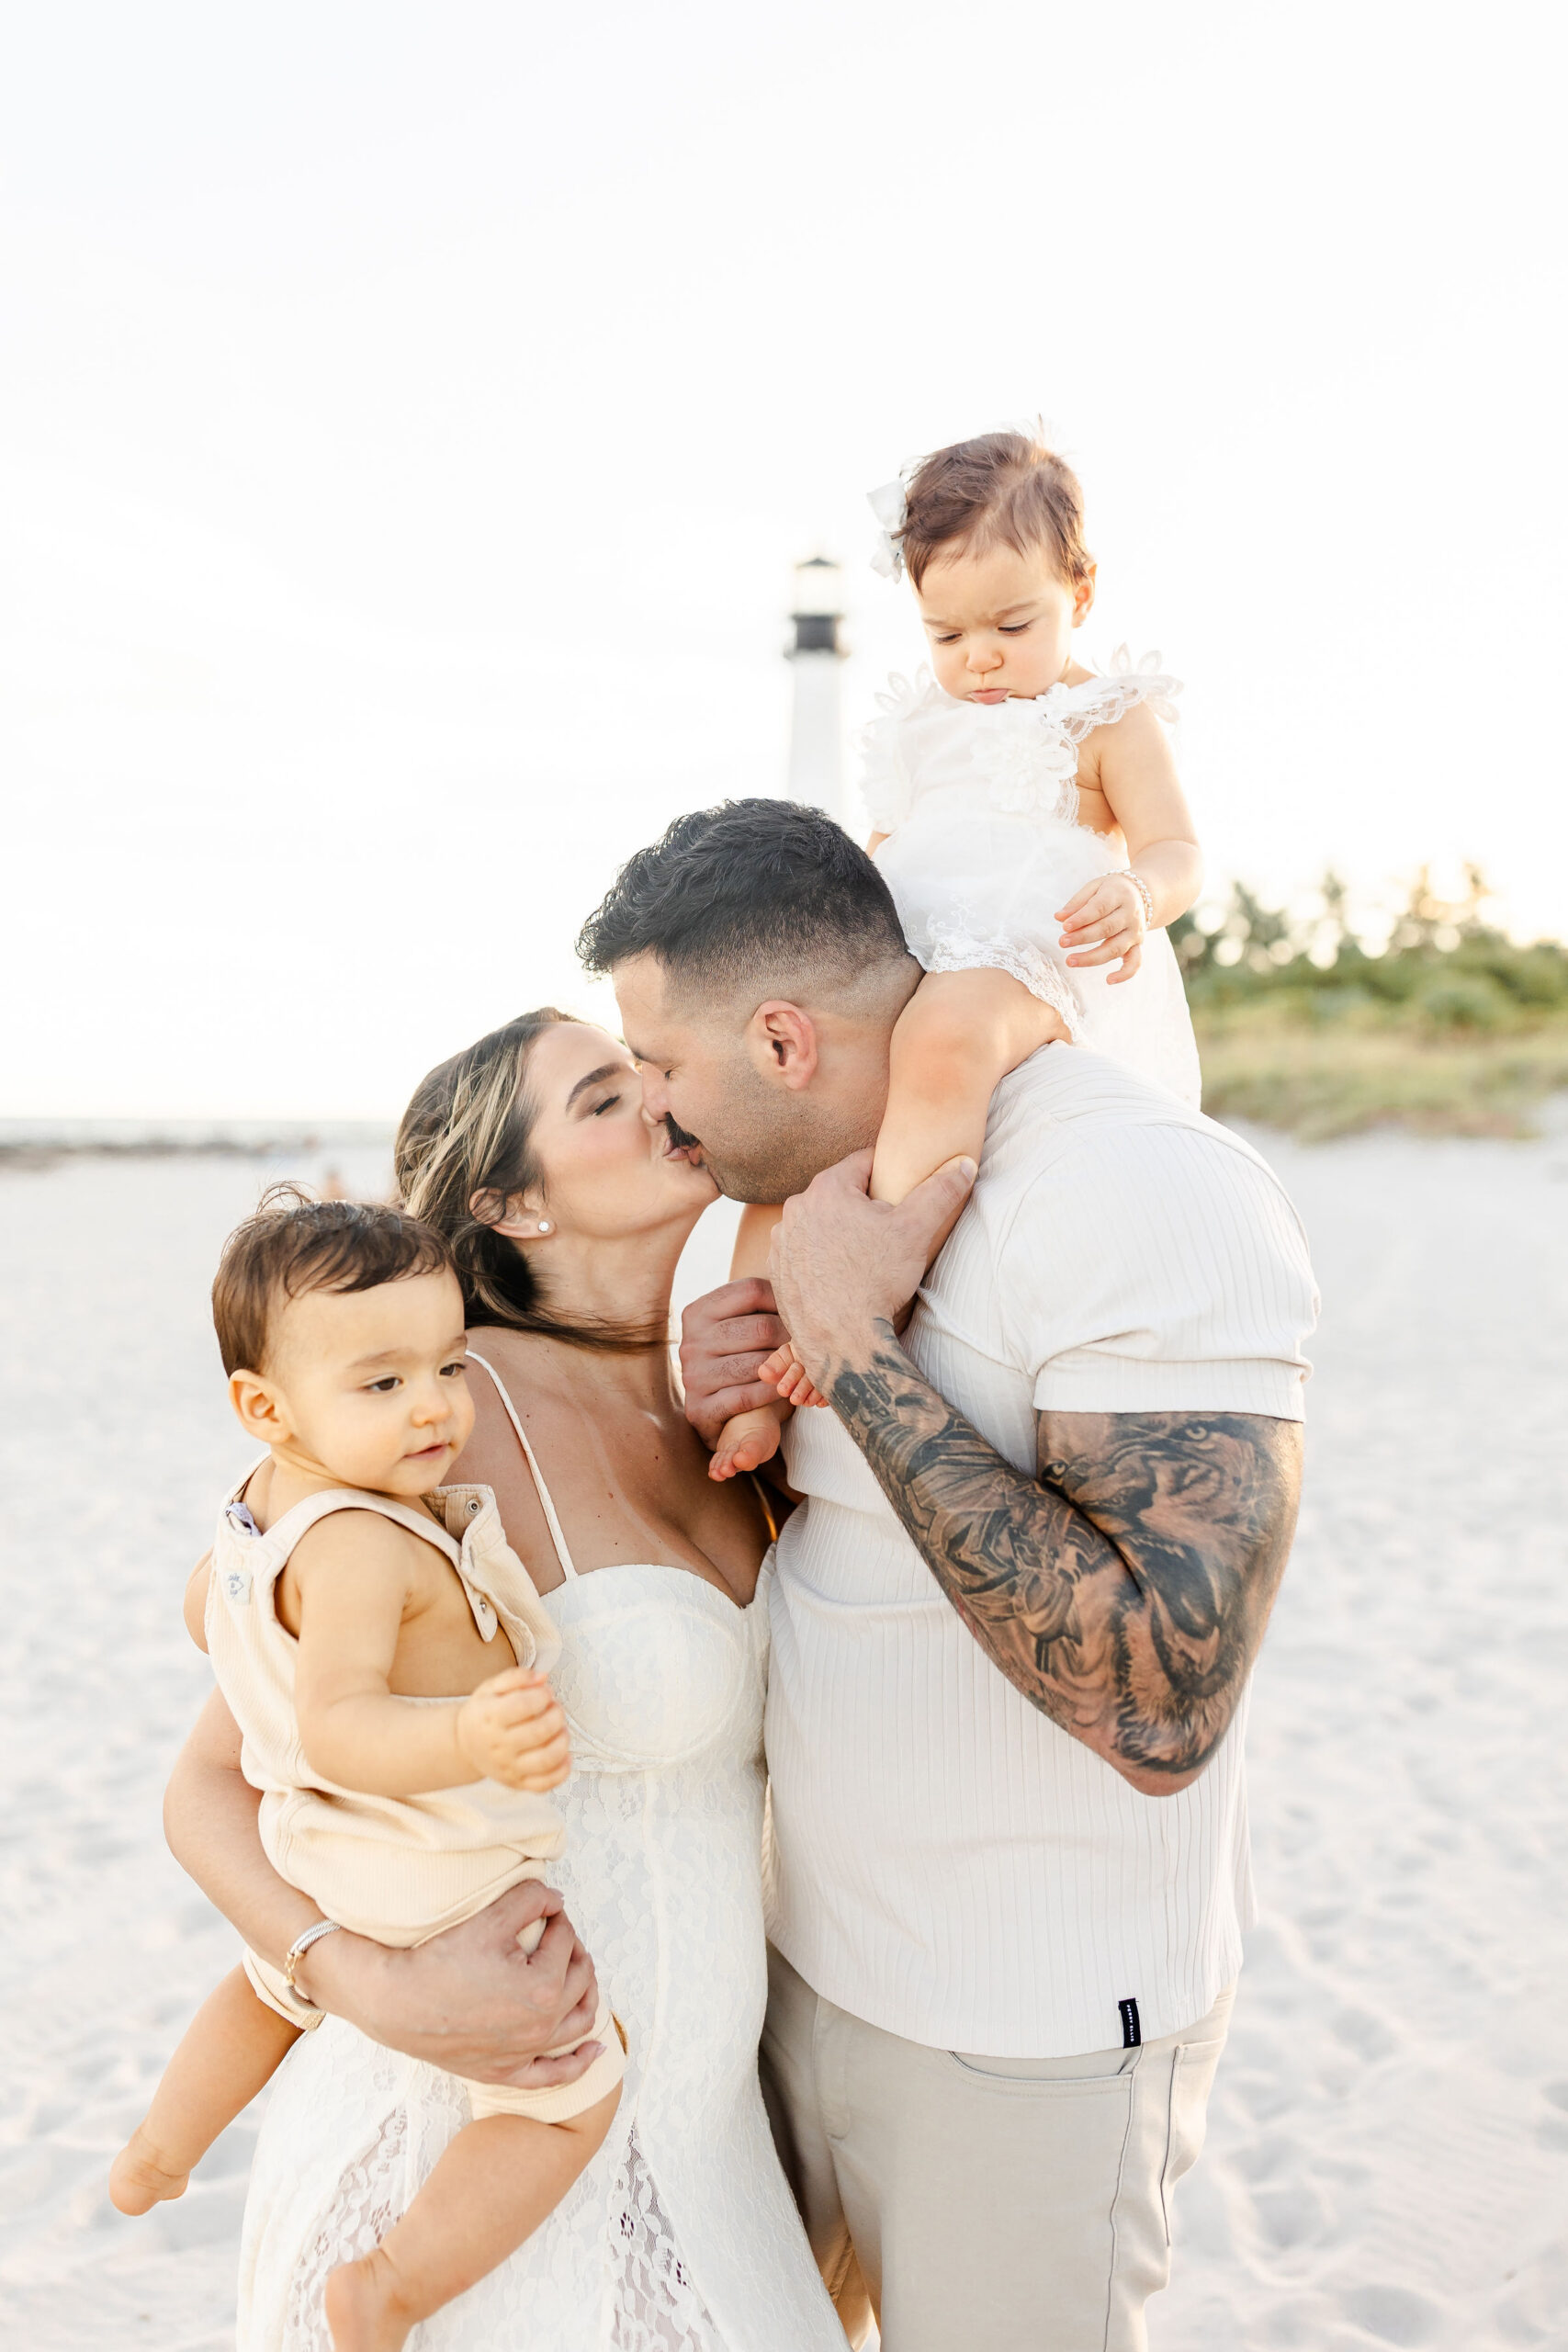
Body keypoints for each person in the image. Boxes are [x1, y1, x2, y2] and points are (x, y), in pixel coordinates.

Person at [577, 799, 1320, 2352]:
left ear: (783, 1041)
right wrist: (739, 1420)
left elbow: (1163, 1699)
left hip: (1030, 2041)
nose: (656, 1112)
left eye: (663, 1067)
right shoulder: (798, 1212)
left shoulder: (1138, 1192)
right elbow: (855, 1568)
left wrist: (854, 1357)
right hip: (801, 1980)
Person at [160, 1012, 846, 2351]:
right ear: (510, 1202)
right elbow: (207, 1783)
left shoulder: (728, 1400)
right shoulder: (430, 1431)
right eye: (603, 1096)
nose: (657, 1096)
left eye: (649, 1071)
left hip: (710, 2146)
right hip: (462, 2147)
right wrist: (355, 1978)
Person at [111, 1191, 624, 2351]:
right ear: (264, 1406)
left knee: (265, 1986)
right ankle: (390, 2284)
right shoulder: (355, 1542)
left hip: (316, 1850)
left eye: (447, 1366)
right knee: (567, 2094)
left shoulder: (252, 1520)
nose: (435, 1407)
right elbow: (341, 1724)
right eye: (383, 1384)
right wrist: (469, 1739)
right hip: (423, 1868)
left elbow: (211, 1618)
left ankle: (159, 2151)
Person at [711, 427, 1204, 1480]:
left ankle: (859, 1289)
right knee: (792, 1094)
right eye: (945, 634)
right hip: (919, 937)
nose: (978, 656)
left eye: (1012, 624)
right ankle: (753, 1384)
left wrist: (1139, 890)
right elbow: (882, 867)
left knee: (944, 1037)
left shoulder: (1107, 717)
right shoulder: (918, 727)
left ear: (1083, 589)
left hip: (1036, 948)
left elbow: (1177, 850)